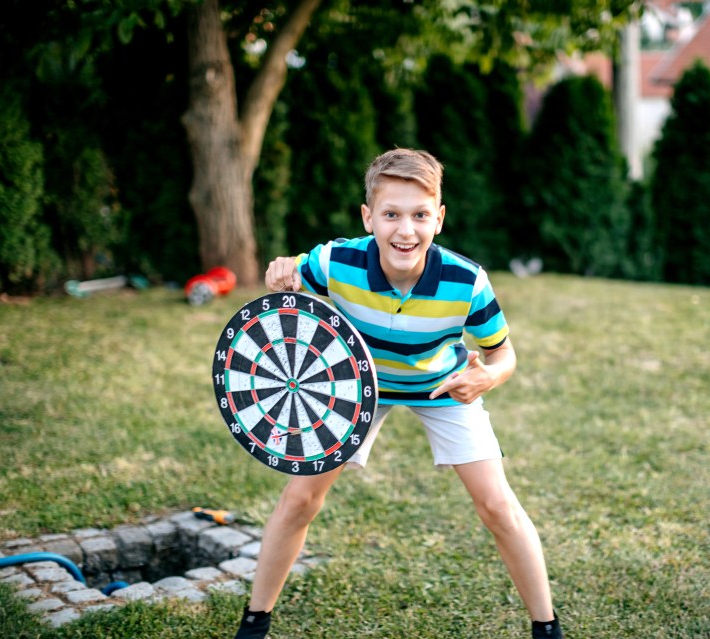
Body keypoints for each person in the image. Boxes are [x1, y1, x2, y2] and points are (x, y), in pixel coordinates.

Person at [233, 149, 563, 639]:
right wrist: (280, 272)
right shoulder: (336, 261)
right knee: (301, 498)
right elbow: (288, 279)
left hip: (443, 387)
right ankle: (255, 623)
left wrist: (487, 378)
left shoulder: (466, 282)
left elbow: (504, 355)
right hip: (358, 389)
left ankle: (547, 628)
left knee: (497, 507)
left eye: (419, 215)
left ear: (440, 219)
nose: (405, 231)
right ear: (368, 217)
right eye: (391, 214)